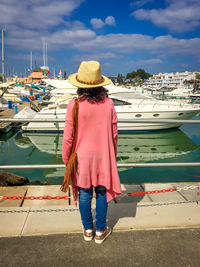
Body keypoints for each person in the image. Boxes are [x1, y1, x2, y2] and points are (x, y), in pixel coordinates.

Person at [62, 61, 122, 244]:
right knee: (102, 192)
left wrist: (66, 160)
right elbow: (114, 134)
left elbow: (68, 138)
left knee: (85, 194)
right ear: (100, 84)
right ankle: (101, 231)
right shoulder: (109, 104)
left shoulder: (74, 104)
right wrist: (112, 154)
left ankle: (88, 230)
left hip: (82, 159)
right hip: (104, 157)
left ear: (80, 85)